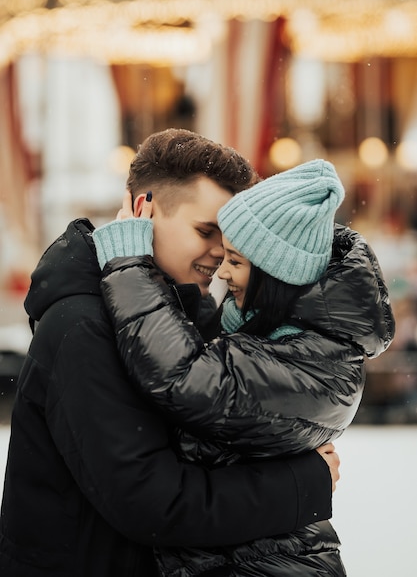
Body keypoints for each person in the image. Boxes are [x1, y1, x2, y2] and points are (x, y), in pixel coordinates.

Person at [0, 130, 340, 577]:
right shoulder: (81, 325)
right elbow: (152, 503)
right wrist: (301, 483)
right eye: (205, 230)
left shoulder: (184, 315)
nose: (220, 252)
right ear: (144, 208)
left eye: (230, 236)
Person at [92, 158, 395, 576]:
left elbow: (185, 378)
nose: (222, 270)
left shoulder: (315, 360)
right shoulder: (280, 338)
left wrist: (127, 264)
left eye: (235, 259)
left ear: (273, 274)